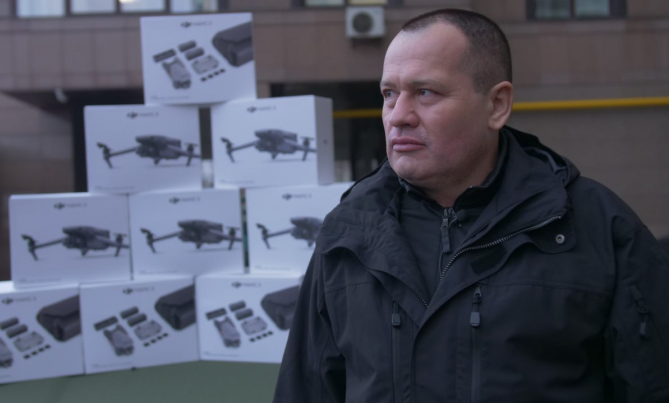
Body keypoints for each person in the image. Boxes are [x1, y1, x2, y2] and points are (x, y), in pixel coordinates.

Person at [273, 8, 669, 403]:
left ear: (497, 105)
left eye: (425, 92)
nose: (398, 116)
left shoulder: (597, 227)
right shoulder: (347, 233)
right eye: (389, 93)